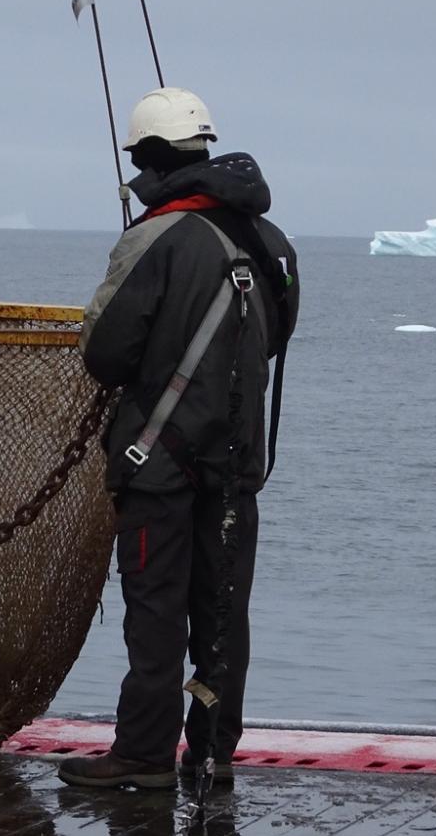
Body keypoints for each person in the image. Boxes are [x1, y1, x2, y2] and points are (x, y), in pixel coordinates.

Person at [58, 88, 300, 791]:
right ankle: (214, 753)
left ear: (152, 156)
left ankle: (143, 755)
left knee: (157, 612)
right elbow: (275, 337)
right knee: (222, 614)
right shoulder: (273, 242)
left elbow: (105, 353)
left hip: (158, 464)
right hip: (238, 464)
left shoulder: (155, 237)